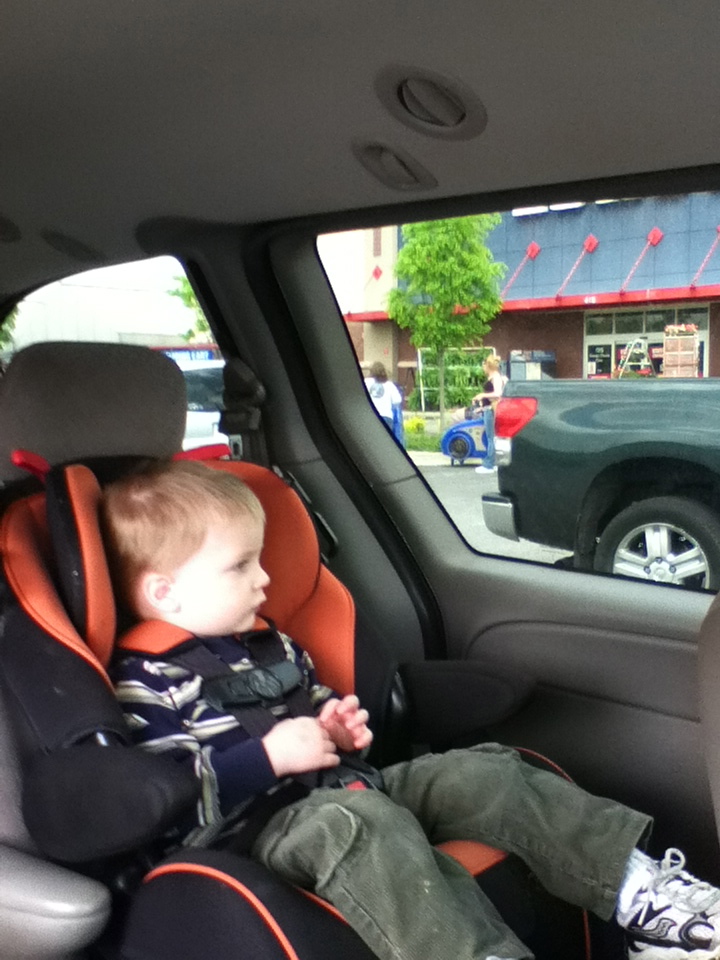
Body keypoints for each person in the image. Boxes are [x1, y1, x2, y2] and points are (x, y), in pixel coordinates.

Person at [103, 460, 720, 960]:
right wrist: (267, 758)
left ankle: (648, 903)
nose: (264, 578)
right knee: (357, 823)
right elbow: (167, 801)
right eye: (240, 566)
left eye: (259, 559)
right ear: (165, 592)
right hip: (261, 835)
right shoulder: (149, 680)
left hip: (349, 787)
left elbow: (316, 710)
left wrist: (338, 729)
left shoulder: (275, 645)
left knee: (485, 770)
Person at [474, 355, 507, 475]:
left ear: (488, 366)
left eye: (484, 365)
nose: (483, 368)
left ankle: (489, 464)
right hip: (488, 408)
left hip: (491, 410)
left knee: (491, 437)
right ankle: (495, 463)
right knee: (493, 437)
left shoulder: (495, 377)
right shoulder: (495, 377)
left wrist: (482, 395)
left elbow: (498, 393)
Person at [364, 360, 404, 442]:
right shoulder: (389, 385)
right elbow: (397, 401)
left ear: (371, 371)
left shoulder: (366, 382)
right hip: (387, 417)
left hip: (371, 417)